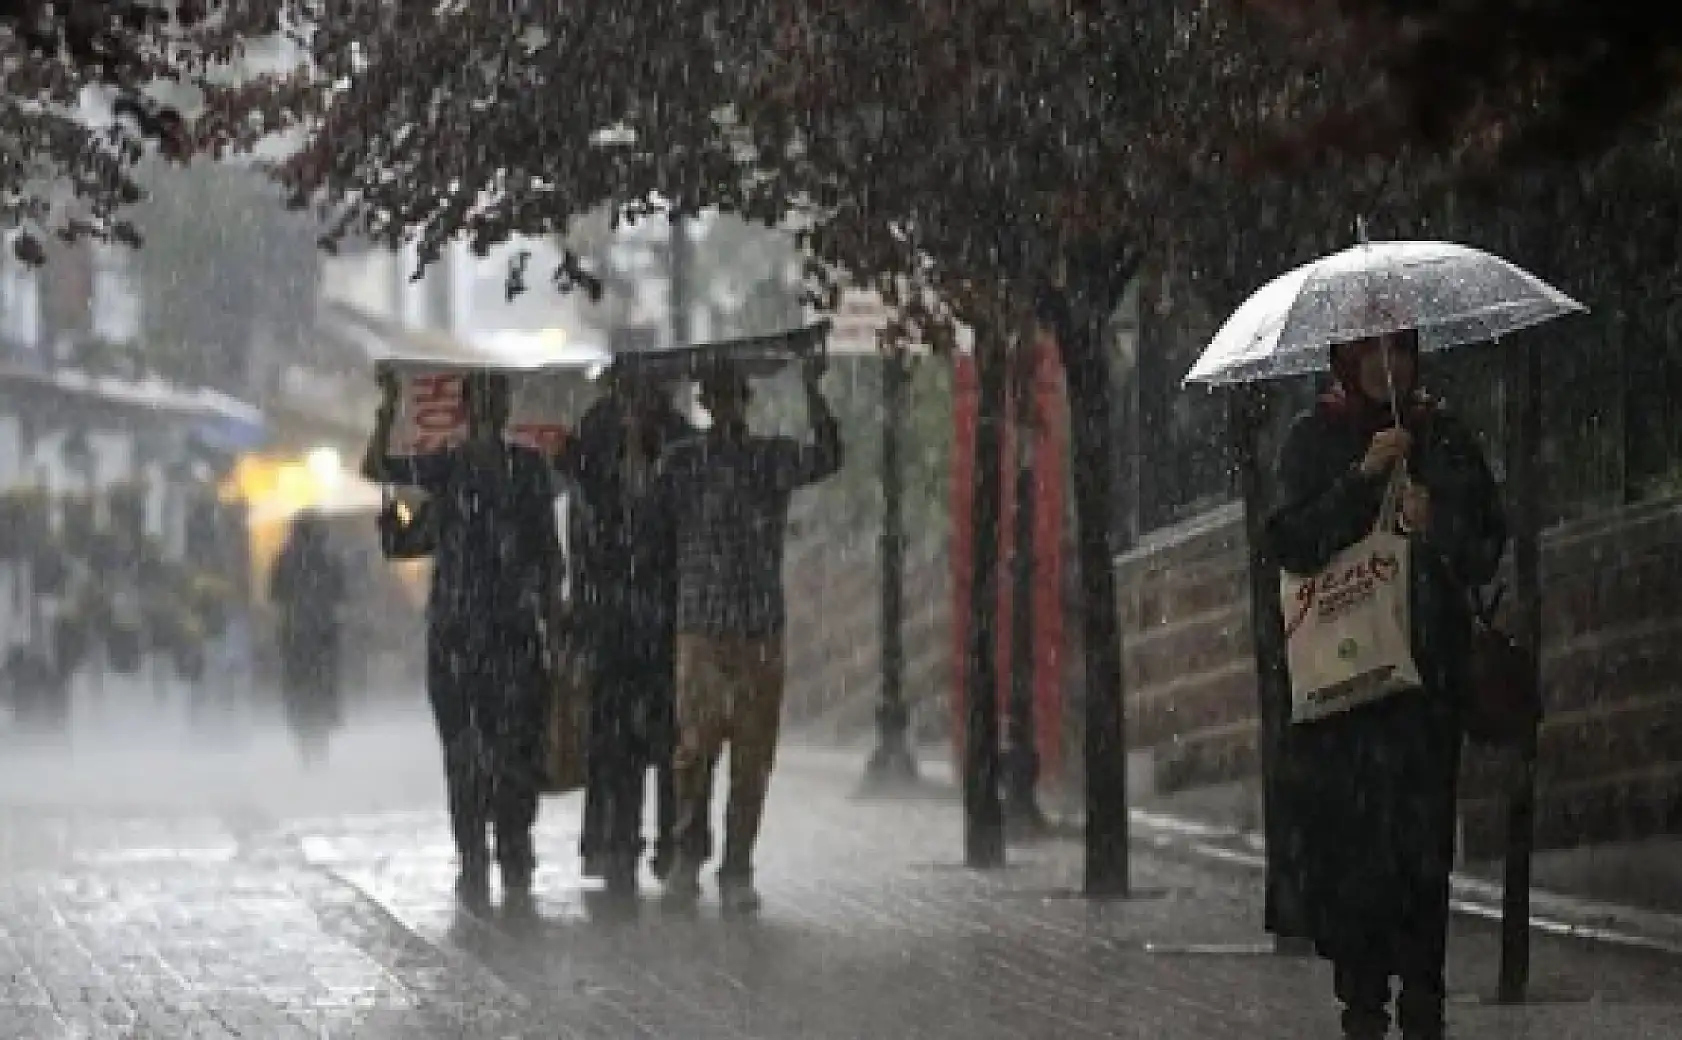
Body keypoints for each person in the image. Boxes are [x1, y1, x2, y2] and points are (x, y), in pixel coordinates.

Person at [1265, 330, 1506, 1040]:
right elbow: (1289, 543)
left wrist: (1441, 523)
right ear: (1344, 359)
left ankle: (1425, 1000)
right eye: (1368, 351)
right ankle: (1363, 1005)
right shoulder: (1314, 438)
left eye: (1398, 349)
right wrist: (1361, 482)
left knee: (1423, 854)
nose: (1385, 365)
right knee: (1354, 860)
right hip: (1345, 695)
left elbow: (1489, 543)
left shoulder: (1442, 435)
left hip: (1423, 693)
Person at [363, 370, 560, 908]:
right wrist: (387, 408)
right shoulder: (450, 470)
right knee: (469, 751)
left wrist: (554, 616)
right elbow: (378, 470)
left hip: (507, 632)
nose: (492, 410)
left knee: (511, 749)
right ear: (473, 409)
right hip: (463, 634)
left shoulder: (525, 470)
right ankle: (479, 853)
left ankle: (509, 850)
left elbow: (547, 553)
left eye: (498, 399)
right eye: (486, 400)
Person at [657, 356, 842, 913]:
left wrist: (814, 389)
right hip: (702, 623)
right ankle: (689, 855)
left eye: (732, 395)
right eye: (716, 396)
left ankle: (738, 865)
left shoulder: (771, 458)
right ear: (707, 402)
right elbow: (646, 512)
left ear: (744, 399)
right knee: (695, 749)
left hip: (758, 623)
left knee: (751, 755)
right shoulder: (683, 462)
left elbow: (829, 456)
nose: (726, 406)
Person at [557, 369, 709, 893]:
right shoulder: (594, 437)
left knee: (671, 736)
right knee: (613, 737)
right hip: (612, 612)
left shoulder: (683, 443)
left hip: (667, 612)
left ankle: (673, 843)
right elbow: (582, 519)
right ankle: (613, 844)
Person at [269, 509, 347, 762]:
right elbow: (341, 596)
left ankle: (306, 745)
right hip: (322, 634)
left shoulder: (284, 559)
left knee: (300, 692)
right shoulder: (328, 559)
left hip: (295, 635)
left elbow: (276, 597)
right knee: (320, 690)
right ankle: (318, 745)